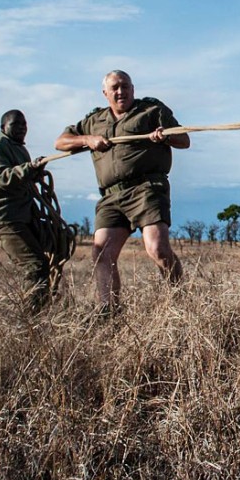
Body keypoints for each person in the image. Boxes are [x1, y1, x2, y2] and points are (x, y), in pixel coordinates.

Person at [54, 70, 190, 313]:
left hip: (146, 189)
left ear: (133, 89)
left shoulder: (151, 110)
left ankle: (180, 302)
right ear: (105, 93)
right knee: (101, 252)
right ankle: (109, 310)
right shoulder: (94, 120)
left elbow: (184, 140)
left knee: (157, 248)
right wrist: (87, 140)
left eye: (125, 86)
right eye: (115, 87)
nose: (121, 92)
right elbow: (61, 142)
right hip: (111, 196)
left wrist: (164, 138)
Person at [0, 110, 52, 310]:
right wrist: (28, 168)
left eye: (24, 124)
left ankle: (40, 309)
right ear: (3, 127)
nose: (21, 128)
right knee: (35, 265)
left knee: (44, 259)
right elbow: (0, 179)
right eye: (15, 124)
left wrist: (34, 173)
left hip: (23, 215)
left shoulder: (19, 149)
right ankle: (31, 316)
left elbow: (20, 179)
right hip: (6, 219)